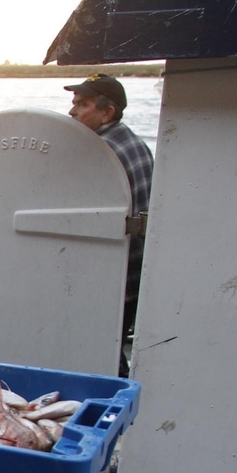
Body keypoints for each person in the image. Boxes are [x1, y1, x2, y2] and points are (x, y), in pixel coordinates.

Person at [65, 74, 153, 361]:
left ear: (107, 112)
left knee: (97, 353)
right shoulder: (131, 141)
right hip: (134, 274)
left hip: (112, 278)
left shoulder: (102, 154)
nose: (72, 111)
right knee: (111, 348)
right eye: (74, 103)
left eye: (82, 104)